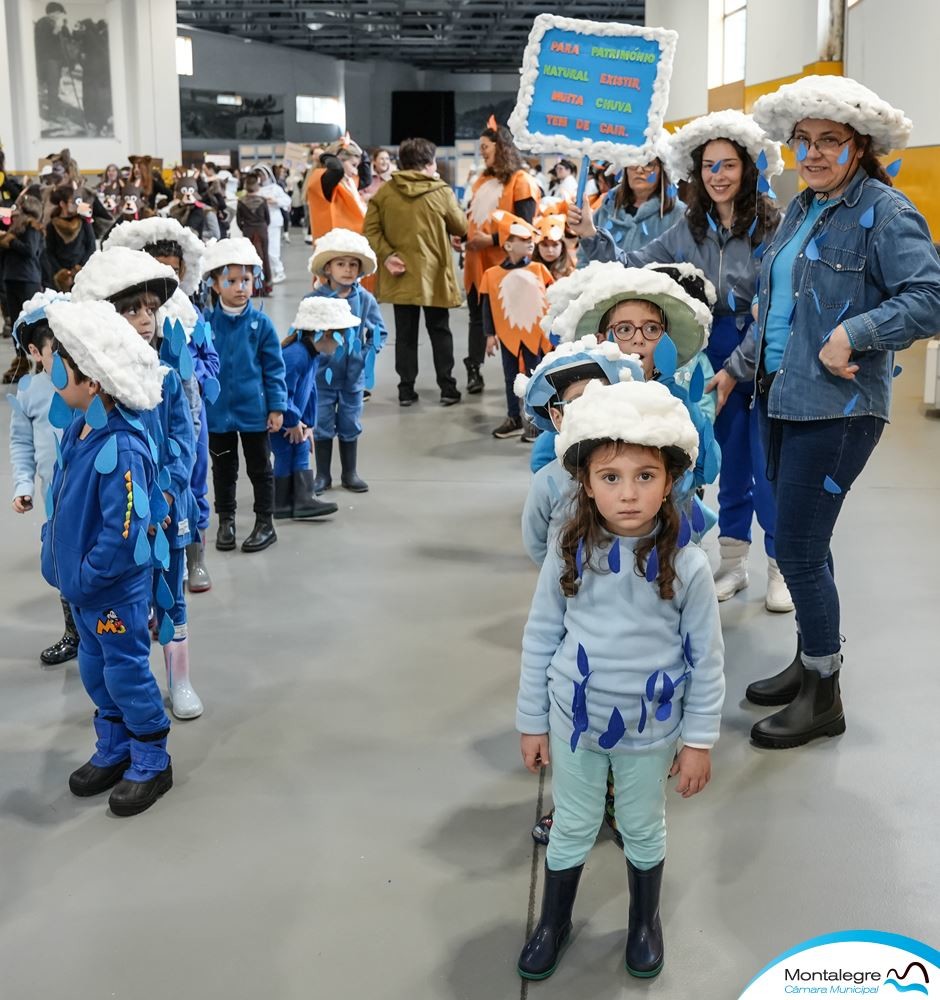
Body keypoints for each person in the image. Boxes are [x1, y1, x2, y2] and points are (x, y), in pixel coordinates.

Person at [711, 77, 940, 747]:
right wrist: (734, 370)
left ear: (859, 146)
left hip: (837, 410)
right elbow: (773, 312)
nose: (811, 153)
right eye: (802, 141)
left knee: (801, 551)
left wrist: (856, 333)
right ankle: (809, 663)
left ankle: (825, 695)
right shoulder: (802, 208)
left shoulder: (886, 211)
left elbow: (929, 298)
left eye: (828, 142)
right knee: (800, 541)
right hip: (779, 397)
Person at [515, 377, 724, 982]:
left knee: (640, 824)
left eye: (645, 476)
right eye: (611, 477)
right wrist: (531, 721)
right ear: (584, 482)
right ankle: (552, 922)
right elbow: (540, 636)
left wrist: (698, 742)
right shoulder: (568, 549)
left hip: (651, 727)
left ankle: (643, 921)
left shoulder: (686, 565)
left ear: (671, 481)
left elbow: (706, 659)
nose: (628, 494)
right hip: (573, 723)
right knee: (575, 822)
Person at [570, 111, 793, 613]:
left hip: (763, 353)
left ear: (748, 169)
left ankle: (780, 570)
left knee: (770, 467)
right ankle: (733, 564)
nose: (718, 175)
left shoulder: (774, 227)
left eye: (728, 165)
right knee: (728, 465)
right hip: (708, 355)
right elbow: (633, 265)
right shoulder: (686, 228)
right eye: (709, 165)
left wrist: (737, 368)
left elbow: (778, 306)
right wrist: (591, 236)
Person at [40, 298, 174, 816]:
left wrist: (90, 573)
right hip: (84, 590)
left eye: (61, 367)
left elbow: (125, 529)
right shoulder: (79, 430)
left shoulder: (124, 446)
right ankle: (115, 748)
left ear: (92, 382)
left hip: (111, 589)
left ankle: (151, 759)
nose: (52, 374)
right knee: (96, 673)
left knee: (126, 673)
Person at [72, 247, 203, 720]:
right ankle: (131, 682)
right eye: (131, 309)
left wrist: (167, 494)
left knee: (170, 591)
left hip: (165, 511)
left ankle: (180, 679)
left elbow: (184, 440)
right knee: (126, 600)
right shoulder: (95, 385)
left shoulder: (167, 374)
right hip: (119, 518)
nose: (145, 319)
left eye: (150, 308)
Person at [101, 216, 217, 594]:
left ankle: (193, 557)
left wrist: (193, 416)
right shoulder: (123, 323)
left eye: (173, 268)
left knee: (191, 489)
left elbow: (200, 363)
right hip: (142, 436)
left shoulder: (185, 313)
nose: (145, 318)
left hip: (180, 419)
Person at [364, 136, 466, 407]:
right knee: (440, 331)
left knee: (405, 335)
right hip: (435, 275)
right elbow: (461, 226)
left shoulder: (384, 193)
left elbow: (370, 230)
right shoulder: (441, 191)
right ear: (429, 163)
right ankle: (447, 387)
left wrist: (387, 255)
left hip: (401, 274)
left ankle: (406, 390)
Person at [201, 237, 287, 553]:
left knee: (260, 468)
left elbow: (275, 369)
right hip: (218, 413)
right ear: (214, 284)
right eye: (231, 280)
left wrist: (277, 407)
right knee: (223, 469)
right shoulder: (206, 325)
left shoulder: (261, 324)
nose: (240, 287)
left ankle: (266, 522)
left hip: (254, 412)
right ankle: (226, 520)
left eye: (246, 280)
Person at [9, 289, 75, 664]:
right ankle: (74, 631)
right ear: (35, 353)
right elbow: (21, 444)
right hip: (55, 495)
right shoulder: (30, 391)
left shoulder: (88, 383)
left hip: (95, 490)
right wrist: (23, 485)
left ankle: (121, 618)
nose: (66, 357)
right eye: (57, 349)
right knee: (63, 561)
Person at [459, 119, 541, 395]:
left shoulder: (521, 182)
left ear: (502, 147)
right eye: (480, 147)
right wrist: (464, 237)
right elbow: (473, 219)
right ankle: (474, 369)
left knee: (516, 322)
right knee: (476, 319)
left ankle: (522, 381)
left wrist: (493, 240)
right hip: (476, 266)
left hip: (509, 269)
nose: (482, 152)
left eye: (485, 147)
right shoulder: (481, 181)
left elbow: (526, 226)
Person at [305, 228, 386, 493]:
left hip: (353, 376)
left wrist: (365, 355)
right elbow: (301, 333)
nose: (348, 270)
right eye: (341, 264)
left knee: (350, 422)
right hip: (321, 377)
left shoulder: (364, 300)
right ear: (327, 268)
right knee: (323, 423)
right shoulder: (314, 300)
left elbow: (378, 332)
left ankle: (350, 473)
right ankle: (323, 475)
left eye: (353, 265)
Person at [272, 298, 352, 521]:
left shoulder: (311, 355)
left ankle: (296, 500)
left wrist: (308, 424)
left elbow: (310, 391)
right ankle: (286, 501)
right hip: (278, 417)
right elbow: (281, 391)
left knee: (298, 448)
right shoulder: (296, 355)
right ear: (326, 333)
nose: (342, 342)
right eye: (340, 335)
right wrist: (292, 421)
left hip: (291, 418)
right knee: (286, 453)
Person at [478, 211, 554, 440]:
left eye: (531, 239)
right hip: (508, 336)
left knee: (536, 376)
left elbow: (552, 299)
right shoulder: (492, 275)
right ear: (508, 245)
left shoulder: (539, 270)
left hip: (536, 335)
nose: (530, 242)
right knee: (511, 377)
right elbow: (488, 307)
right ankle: (514, 417)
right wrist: (489, 334)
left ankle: (537, 419)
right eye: (523, 239)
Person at [578, 155, 685, 265]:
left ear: (663, 170)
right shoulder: (606, 209)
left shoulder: (679, 215)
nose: (639, 170)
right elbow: (584, 259)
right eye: (633, 162)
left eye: (648, 164)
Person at [0, 195, 45, 383]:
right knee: (16, 323)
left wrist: (10, 241)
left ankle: (41, 360)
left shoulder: (31, 227)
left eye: (19, 206)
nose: (15, 208)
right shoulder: (15, 227)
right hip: (12, 278)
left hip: (27, 280)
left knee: (32, 323)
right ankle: (21, 360)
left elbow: (30, 251)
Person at [306, 136, 372, 242]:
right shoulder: (324, 182)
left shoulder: (348, 183)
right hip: (335, 249)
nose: (356, 172)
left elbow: (366, 179)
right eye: (353, 165)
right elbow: (337, 169)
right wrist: (324, 156)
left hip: (351, 245)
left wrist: (361, 153)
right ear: (339, 160)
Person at [44, 184, 96, 292]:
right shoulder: (52, 225)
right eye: (72, 202)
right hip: (60, 276)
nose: (77, 205)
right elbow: (50, 251)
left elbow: (91, 247)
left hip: (81, 273)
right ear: (62, 204)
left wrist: (80, 267)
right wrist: (61, 272)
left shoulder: (83, 222)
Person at [253, 164, 291, 283]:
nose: (261, 177)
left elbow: (287, 200)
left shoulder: (275, 188)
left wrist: (275, 201)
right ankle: (268, 272)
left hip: (274, 221)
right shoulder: (256, 189)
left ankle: (279, 271)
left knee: (272, 250)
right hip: (260, 222)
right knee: (262, 249)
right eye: (258, 175)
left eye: (262, 174)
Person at [236, 172, 273, 294]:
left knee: (249, 259)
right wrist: (262, 226)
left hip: (248, 231)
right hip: (262, 231)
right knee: (264, 257)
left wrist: (245, 228)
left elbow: (238, 220)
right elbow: (268, 219)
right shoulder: (262, 201)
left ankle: (252, 287)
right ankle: (266, 285)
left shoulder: (241, 202)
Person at [533, 213, 575, 281]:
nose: (550, 250)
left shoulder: (571, 273)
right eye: (544, 245)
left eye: (555, 245)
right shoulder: (529, 271)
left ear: (562, 247)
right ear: (537, 247)